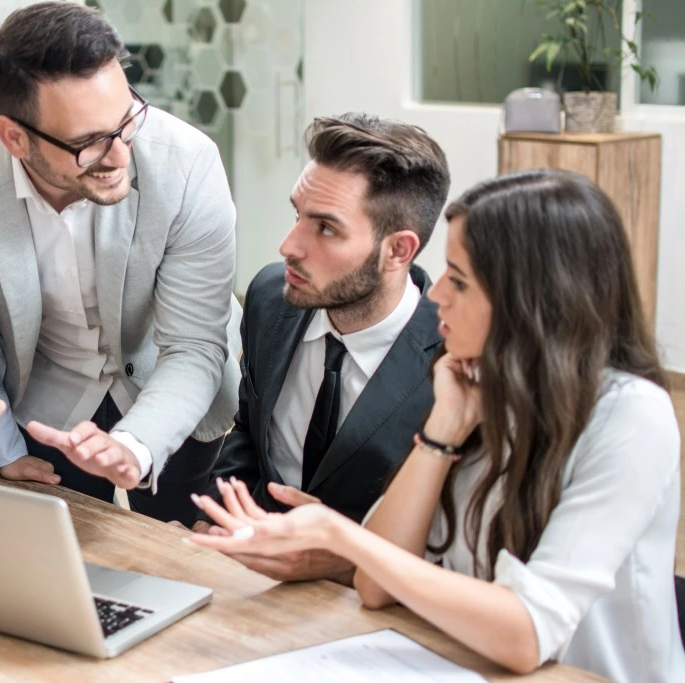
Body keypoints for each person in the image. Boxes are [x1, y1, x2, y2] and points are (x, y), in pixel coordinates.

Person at [189, 170, 685, 681]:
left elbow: (527, 633)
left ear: (536, 304)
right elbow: (377, 585)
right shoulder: (471, 384)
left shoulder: (629, 416)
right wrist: (442, 430)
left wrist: (339, 534)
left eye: (461, 281)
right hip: (459, 660)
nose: (436, 294)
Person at [0, 1, 241, 525]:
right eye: (88, 143)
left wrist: (134, 445)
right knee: (65, 574)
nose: (118, 156)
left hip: (175, 387)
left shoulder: (187, 164)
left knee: (188, 565)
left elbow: (195, 345)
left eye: (125, 121)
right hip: (51, 403)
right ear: (14, 137)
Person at [187, 113, 449, 585]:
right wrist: (220, 513)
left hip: (379, 600)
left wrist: (345, 560)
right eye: (297, 215)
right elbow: (250, 428)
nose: (289, 246)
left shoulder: (453, 362)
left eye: (326, 229)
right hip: (254, 582)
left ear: (398, 251)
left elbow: (454, 539)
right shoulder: (272, 297)